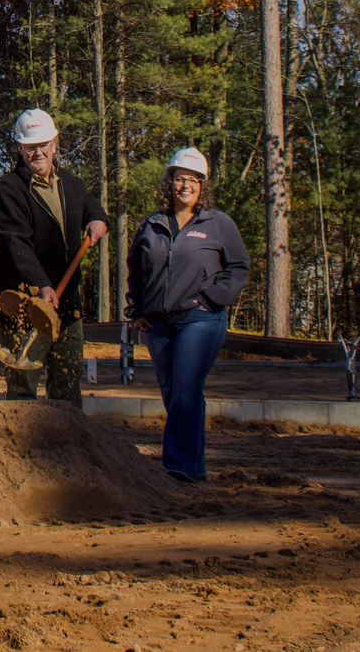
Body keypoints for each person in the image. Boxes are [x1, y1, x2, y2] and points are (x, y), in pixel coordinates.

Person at [127, 146, 250, 482]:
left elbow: (238, 267)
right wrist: (137, 310)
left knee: (185, 390)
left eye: (193, 180)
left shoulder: (218, 223)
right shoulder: (153, 224)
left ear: (202, 185)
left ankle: (179, 468)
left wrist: (210, 298)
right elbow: (136, 270)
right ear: (170, 183)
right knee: (172, 392)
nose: (185, 186)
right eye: (180, 179)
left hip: (200, 320)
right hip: (158, 323)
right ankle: (193, 466)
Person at [0, 108, 109, 405]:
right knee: (22, 385)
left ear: (55, 144)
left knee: (67, 382)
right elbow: (16, 245)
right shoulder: (10, 191)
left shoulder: (71, 184)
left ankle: (68, 447)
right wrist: (42, 285)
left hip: (66, 304)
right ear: (20, 148)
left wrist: (97, 219)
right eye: (30, 147)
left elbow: (91, 206)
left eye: (43, 144)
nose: (38, 152)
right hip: (25, 304)